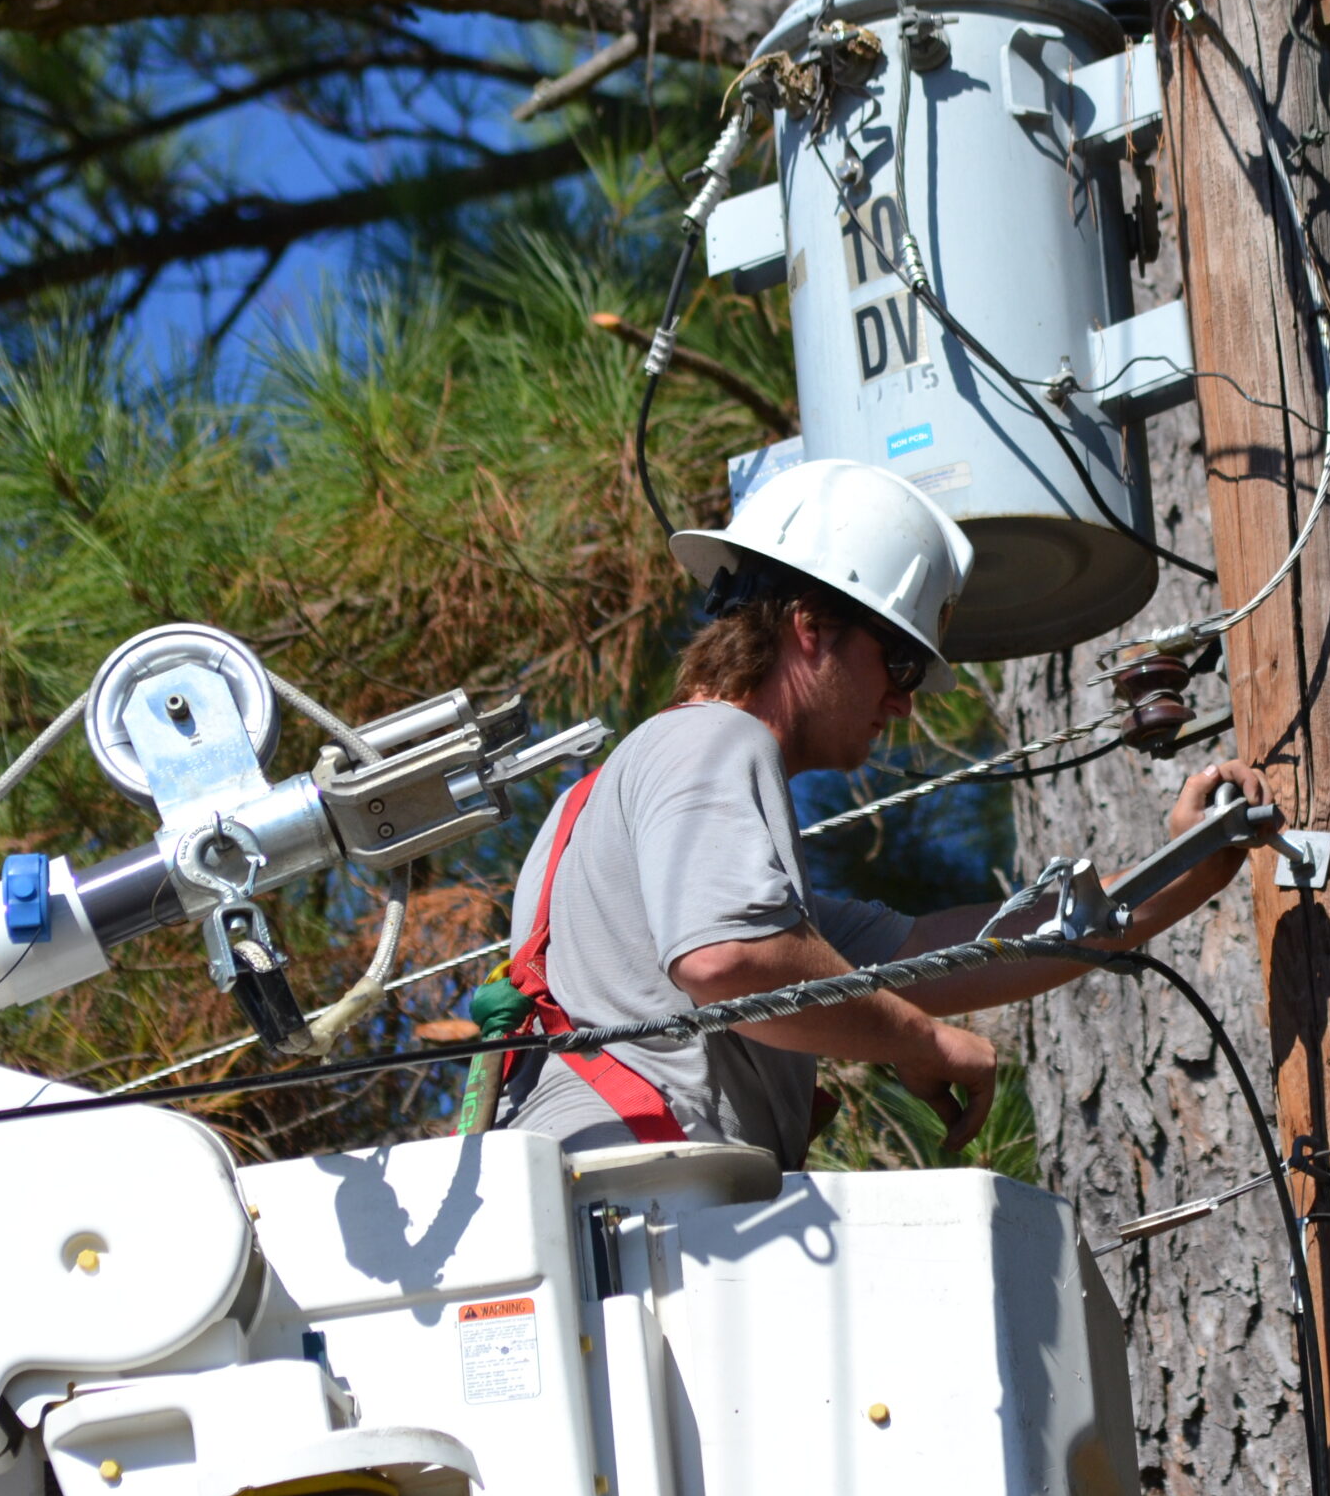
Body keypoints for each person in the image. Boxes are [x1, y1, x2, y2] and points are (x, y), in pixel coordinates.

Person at [495, 459, 1273, 1165]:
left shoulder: (609, 803)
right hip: (651, 1207)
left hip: (607, 1213)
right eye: (899, 662)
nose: (902, 700)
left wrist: (1184, 870)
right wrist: (919, 1038)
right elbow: (729, 962)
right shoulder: (715, 739)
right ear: (811, 626)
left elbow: (944, 952)